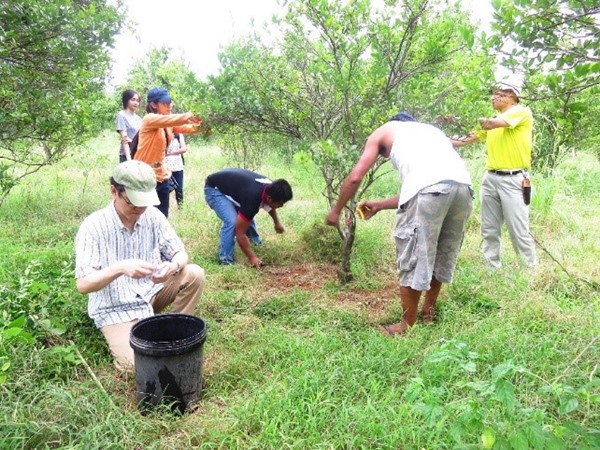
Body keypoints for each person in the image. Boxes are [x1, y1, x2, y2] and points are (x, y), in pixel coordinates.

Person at [326, 112, 473, 336]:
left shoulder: (383, 131)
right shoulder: (431, 132)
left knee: (412, 253)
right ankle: (429, 311)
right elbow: (427, 189)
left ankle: (406, 326)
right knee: (442, 251)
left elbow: (356, 177)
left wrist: (336, 210)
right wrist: (379, 204)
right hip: (463, 189)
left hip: (430, 191)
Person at [75, 160, 206, 371]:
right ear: (114, 192)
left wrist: (172, 266)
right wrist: (120, 268)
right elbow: (83, 285)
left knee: (194, 274)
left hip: (150, 294)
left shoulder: (152, 216)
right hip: (114, 307)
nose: (139, 209)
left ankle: (175, 330)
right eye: (132, 203)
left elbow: (180, 253)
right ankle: (132, 334)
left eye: (144, 203)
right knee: (136, 365)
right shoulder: (93, 226)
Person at [451, 76, 537, 269]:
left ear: (513, 95)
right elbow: (466, 140)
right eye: (493, 93)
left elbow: (490, 125)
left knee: (518, 229)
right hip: (490, 178)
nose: (493, 98)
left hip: (514, 179)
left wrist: (461, 119)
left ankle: (529, 270)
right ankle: (492, 268)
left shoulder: (520, 112)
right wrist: (443, 138)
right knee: (489, 228)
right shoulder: (495, 120)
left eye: (499, 94)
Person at [204, 168, 293, 267]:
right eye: (280, 203)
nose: (281, 206)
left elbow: (269, 205)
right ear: (269, 198)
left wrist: (277, 222)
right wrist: (252, 258)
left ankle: (256, 243)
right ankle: (225, 260)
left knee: (246, 216)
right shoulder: (252, 197)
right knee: (232, 222)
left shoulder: (270, 188)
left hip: (231, 187)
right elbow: (240, 233)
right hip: (214, 190)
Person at [134, 87, 201, 218]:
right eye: (165, 103)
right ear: (153, 104)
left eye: (170, 102)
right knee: (144, 217)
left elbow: (191, 128)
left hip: (162, 175)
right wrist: (190, 115)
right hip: (144, 176)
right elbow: (176, 119)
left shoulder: (168, 123)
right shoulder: (149, 119)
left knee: (162, 217)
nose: (170, 106)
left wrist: (209, 122)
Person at [115, 89, 142, 163]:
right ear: (126, 100)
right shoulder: (121, 115)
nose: (136, 103)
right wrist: (128, 158)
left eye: (137, 100)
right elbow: (124, 139)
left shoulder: (138, 118)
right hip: (126, 155)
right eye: (133, 100)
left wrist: (133, 142)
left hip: (138, 154)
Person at [166, 132, 186, 209]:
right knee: (166, 188)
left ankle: (180, 207)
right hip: (166, 166)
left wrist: (172, 152)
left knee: (179, 188)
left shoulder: (178, 135)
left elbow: (184, 148)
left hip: (178, 166)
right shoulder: (163, 134)